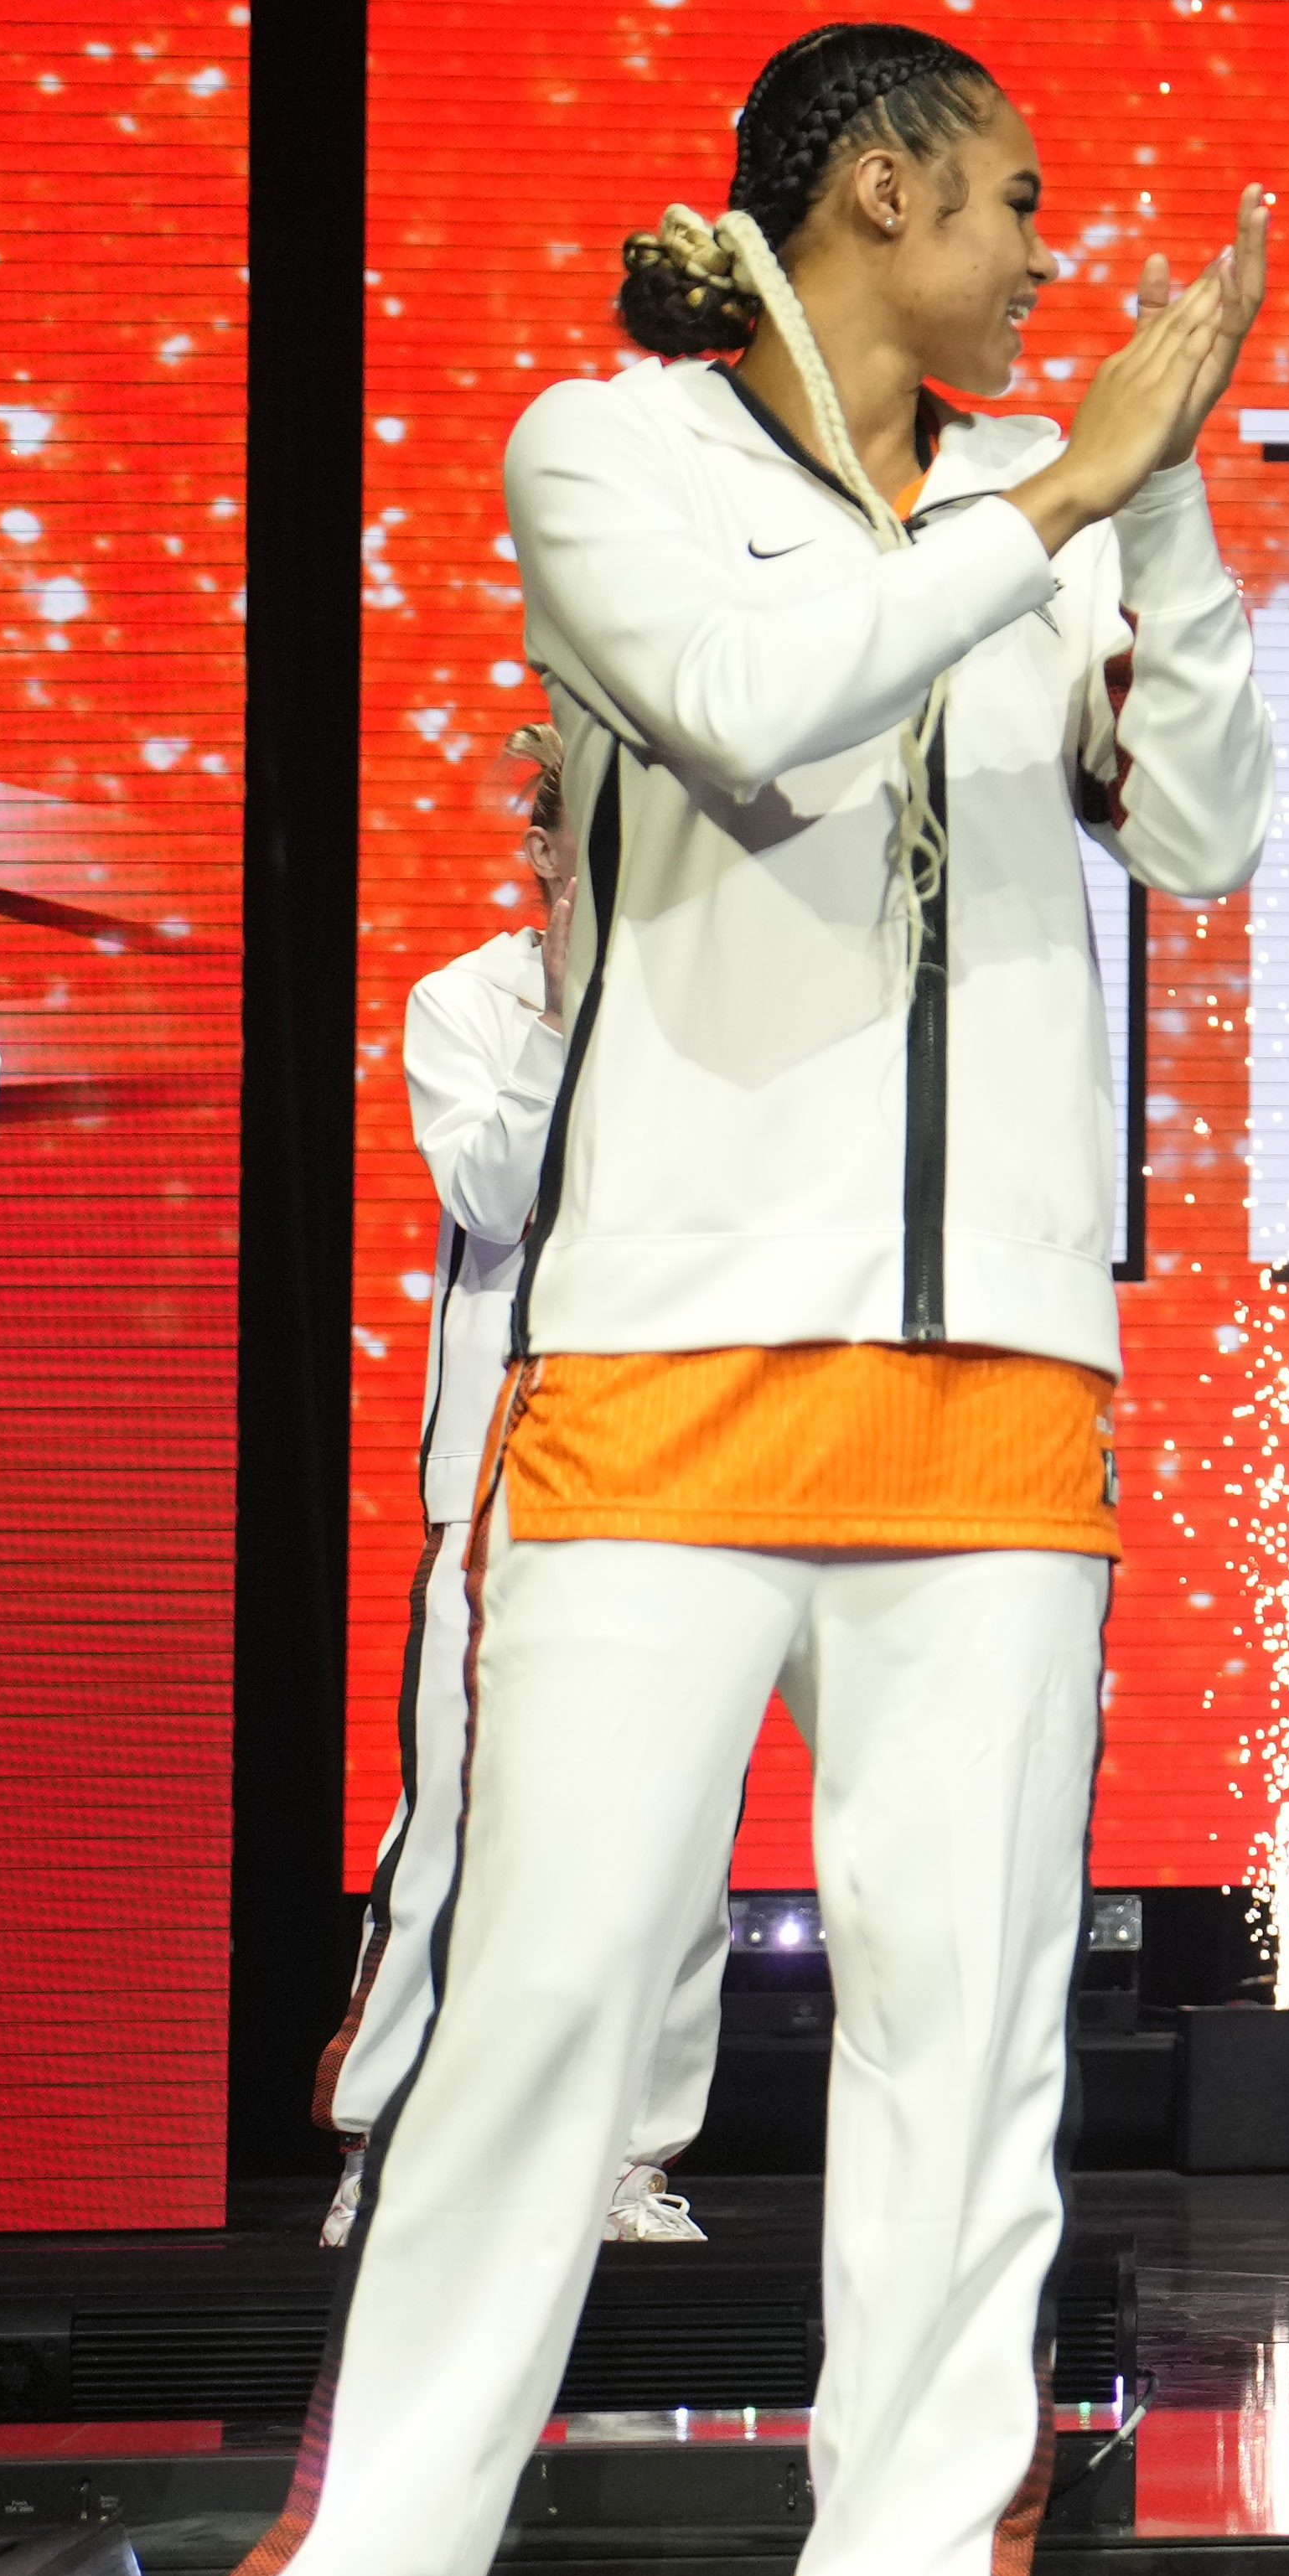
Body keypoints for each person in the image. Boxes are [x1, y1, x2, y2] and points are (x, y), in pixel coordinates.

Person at [220, 32, 1269, 2576]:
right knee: (539, 2026)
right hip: (669, 1364)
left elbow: (1206, 821)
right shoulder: (616, 456)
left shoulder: (1044, 503)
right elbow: (746, 714)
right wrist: (1063, 498)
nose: (1048, 254)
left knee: (970, 2063)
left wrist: (1160, 502)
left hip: (998, 1383)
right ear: (880, 189)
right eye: (1016, 200)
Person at [317, 908, 741, 2252]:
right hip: (507, 1467)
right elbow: (492, 1194)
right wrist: (563, 1016)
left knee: (680, 1832)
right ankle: (388, 2146)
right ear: (545, 845)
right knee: (459, 1817)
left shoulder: (730, 979)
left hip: (698, 1450)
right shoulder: (471, 998)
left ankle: (630, 2157)